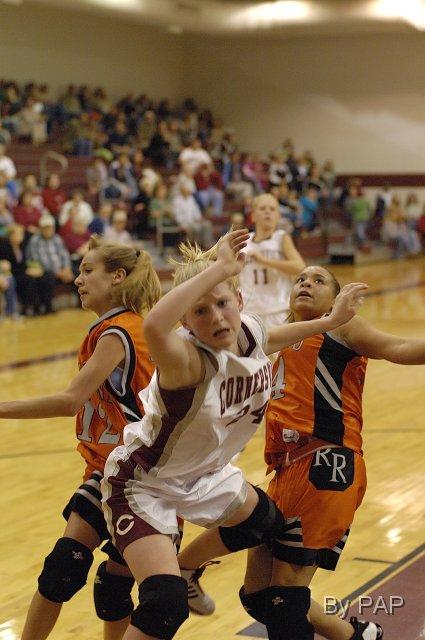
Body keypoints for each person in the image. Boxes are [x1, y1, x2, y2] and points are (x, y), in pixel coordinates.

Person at [101, 229, 367, 640]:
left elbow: (272, 336)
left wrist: (330, 321)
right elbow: (154, 324)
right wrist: (222, 269)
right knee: (165, 604)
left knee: (265, 520)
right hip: (144, 483)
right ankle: (176, 580)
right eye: (200, 310)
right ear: (185, 321)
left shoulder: (247, 332)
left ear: (240, 301)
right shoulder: (185, 359)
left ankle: (186, 569)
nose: (217, 317)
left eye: (223, 304)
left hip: (204, 475)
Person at [182, 262, 425, 639]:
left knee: (284, 596)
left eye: (319, 280)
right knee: (258, 597)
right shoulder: (278, 341)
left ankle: (184, 566)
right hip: (287, 469)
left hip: (327, 462)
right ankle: (357, 634)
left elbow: (400, 347)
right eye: (300, 279)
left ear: (336, 299)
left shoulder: (341, 327)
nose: (306, 283)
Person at [0, 236, 163, 640]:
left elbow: (70, 400)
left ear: (118, 277)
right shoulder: (121, 328)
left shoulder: (119, 332)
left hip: (138, 474)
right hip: (115, 469)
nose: (77, 279)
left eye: (88, 271)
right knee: (84, 575)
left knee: (84, 577)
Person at [238, 193, 305, 330]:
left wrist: (264, 260)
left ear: (278, 216)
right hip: (247, 312)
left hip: (278, 310)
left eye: (272, 209)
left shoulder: (281, 238)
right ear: (253, 216)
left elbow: (300, 267)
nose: (267, 212)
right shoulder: (244, 241)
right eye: (262, 208)